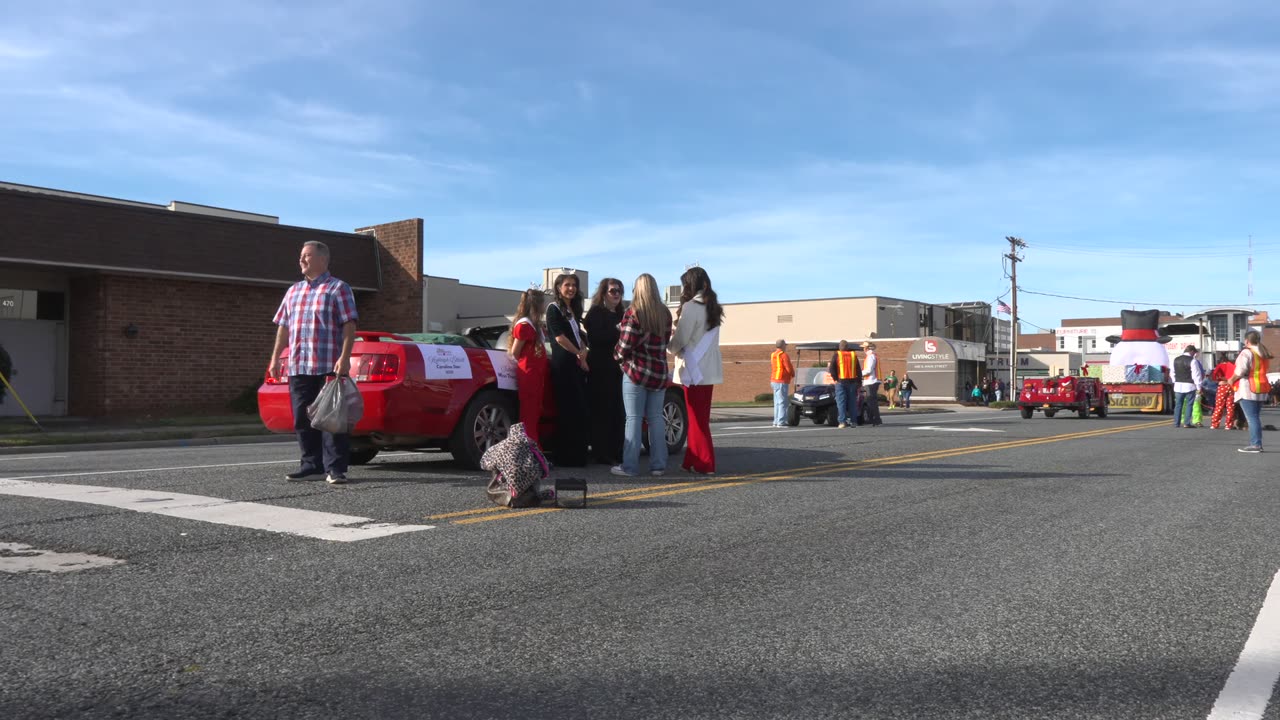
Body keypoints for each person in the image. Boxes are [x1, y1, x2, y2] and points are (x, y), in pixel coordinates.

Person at [268, 241, 358, 484]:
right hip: (298, 365)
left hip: (329, 364)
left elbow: (349, 325)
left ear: (322, 260)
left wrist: (345, 357)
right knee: (302, 418)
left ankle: (335, 469)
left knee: (331, 419)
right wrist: (276, 358)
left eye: (307, 256)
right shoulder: (293, 291)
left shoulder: (338, 288)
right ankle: (311, 466)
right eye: (300, 256)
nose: (301, 260)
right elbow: (283, 327)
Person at [612, 273, 673, 477]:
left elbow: (625, 345)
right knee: (656, 418)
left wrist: (617, 356)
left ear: (637, 290)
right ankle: (659, 465)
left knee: (634, 418)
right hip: (659, 372)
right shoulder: (665, 313)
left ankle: (629, 466)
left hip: (636, 371)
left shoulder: (633, 312)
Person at [670, 266, 724, 475]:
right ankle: (690, 460)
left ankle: (705, 463)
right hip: (707, 371)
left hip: (693, 371)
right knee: (699, 418)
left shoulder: (691, 307)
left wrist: (669, 346)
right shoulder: (714, 307)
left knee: (697, 420)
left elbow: (682, 338)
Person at [546, 273, 590, 466]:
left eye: (574, 285)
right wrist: (578, 354)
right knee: (567, 410)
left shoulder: (572, 310)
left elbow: (576, 335)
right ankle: (565, 456)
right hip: (563, 363)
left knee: (579, 409)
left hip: (576, 363)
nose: (571, 288)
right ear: (558, 287)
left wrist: (583, 351)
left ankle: (578, 454)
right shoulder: (553, 309)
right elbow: (559, 338)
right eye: (567, 285)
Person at [585, 278, 625, 464]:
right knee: (602, 410)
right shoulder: (595, 314)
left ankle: (618, 450)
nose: (616, 294)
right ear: (603, 293)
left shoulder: (622, 314)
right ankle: (602, 452)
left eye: (619, 291)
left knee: (618, 411)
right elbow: (597, 337)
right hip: (601, 368)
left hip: (619, 369)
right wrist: (618, 332)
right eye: (612, 291)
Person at [508, 289, 550, 449]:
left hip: (536, 373)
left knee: (534, 411)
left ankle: (533, 449)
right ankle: (529, 449)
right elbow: (515, 351)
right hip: (529, 373)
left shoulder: (534, 325)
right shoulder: (525, 325)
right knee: (529, 412)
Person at [1229, 330, 1272, 453]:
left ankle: (1256, 445)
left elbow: (1240, 370)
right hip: (1261, 388)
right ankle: (1256, 443)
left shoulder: (1246, 352)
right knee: (1255, 417)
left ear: (1247, 341)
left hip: (1248, 388)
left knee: (1251, 418)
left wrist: (1231, 380)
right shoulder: (1263, 353)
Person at [827, 340, 861, 428]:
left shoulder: (837, 355)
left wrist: (835, 379)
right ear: (847, 347)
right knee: (852, 402)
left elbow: (832, 368)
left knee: (841, 402)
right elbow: (858, 370)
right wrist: (859, 381)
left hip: (841, 382)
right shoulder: (853, 355)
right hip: (852, 382)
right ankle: (853, 422)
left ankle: (842, 422)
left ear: (840, 347)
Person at [1172, 345, 1205, 429]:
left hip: (1178, 385)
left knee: (1178, 404)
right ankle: (1187, 423)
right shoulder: (1192, 361)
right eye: (1194, 353)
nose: (1194, 355)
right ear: (1192, 351)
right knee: (1189, 404)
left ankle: (1176, 423)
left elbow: (1172, 373)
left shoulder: (1176, 360)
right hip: (1189, 385)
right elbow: (1196, 375)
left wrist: (1175, 381)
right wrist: (1199, 386)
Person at [1210, 354, 1239, 430]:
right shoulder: (1232, 366)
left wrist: (1218, 380)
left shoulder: (1219, 366)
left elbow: (1214, 376)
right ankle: (1229, 425)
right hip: (1231, 386)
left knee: (1219, 406)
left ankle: (1215, 424)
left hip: (1222, 387)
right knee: (1230, 406)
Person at [769, 339, 795, 427]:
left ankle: (776, 421)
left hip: (774, 379)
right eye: (785, 345)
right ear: (783, 346)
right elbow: (788, 367)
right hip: (781, 380)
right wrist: (792, 374)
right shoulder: (784, 355)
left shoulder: (773, 355)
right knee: (782, 402)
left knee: (777, 402)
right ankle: (781, 422)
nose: (786, 347)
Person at [862, 342, 883, 426]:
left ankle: (875, 419)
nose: (863, 349)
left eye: (864, 347)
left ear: (867, 348)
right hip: (873, 381)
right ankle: (876, 419)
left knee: (871, 401)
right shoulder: (873, 355)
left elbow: (868, 370)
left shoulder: (870, 357)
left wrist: (859, 374)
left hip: (871, 381)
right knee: (872, 401)